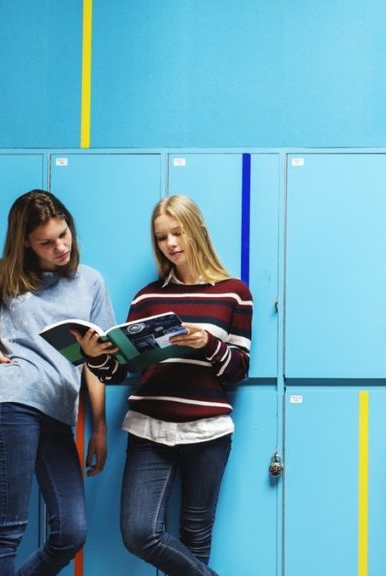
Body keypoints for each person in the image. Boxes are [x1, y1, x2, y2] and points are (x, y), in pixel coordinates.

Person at [0, 189, 111, 575]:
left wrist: (99, 426)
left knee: (71, 531)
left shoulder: (91, 282)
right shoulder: (2, 274)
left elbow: (96, 362)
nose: (60, 247)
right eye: (46, 243)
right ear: (26, 243)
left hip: (60, 415)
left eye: (64, 234)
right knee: (6, 533)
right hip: (12, 404)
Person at [80, 195, 252, 576]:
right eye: (161, 238)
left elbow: (239, 369)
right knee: (139, 532)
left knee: (196, 537)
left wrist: (207, 343)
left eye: (178, 233)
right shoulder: (147, 296)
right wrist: (95, 357)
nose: (171, 244)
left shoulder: (234, 292)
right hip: (149, 426)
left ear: (198, 231)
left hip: (207, 431)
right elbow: (120, 373)